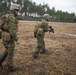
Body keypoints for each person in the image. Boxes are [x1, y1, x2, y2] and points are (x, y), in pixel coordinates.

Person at [0, 4, 19, 72]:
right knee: (10, 53)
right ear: (14, 10)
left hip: (5, 36)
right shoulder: (11, 17)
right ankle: (10, 67)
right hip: (8, 38)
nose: (18, 12)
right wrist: (17, 39)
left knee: (7, 51)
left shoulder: (6, 16)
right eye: (17, 10)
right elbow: (12, 31)